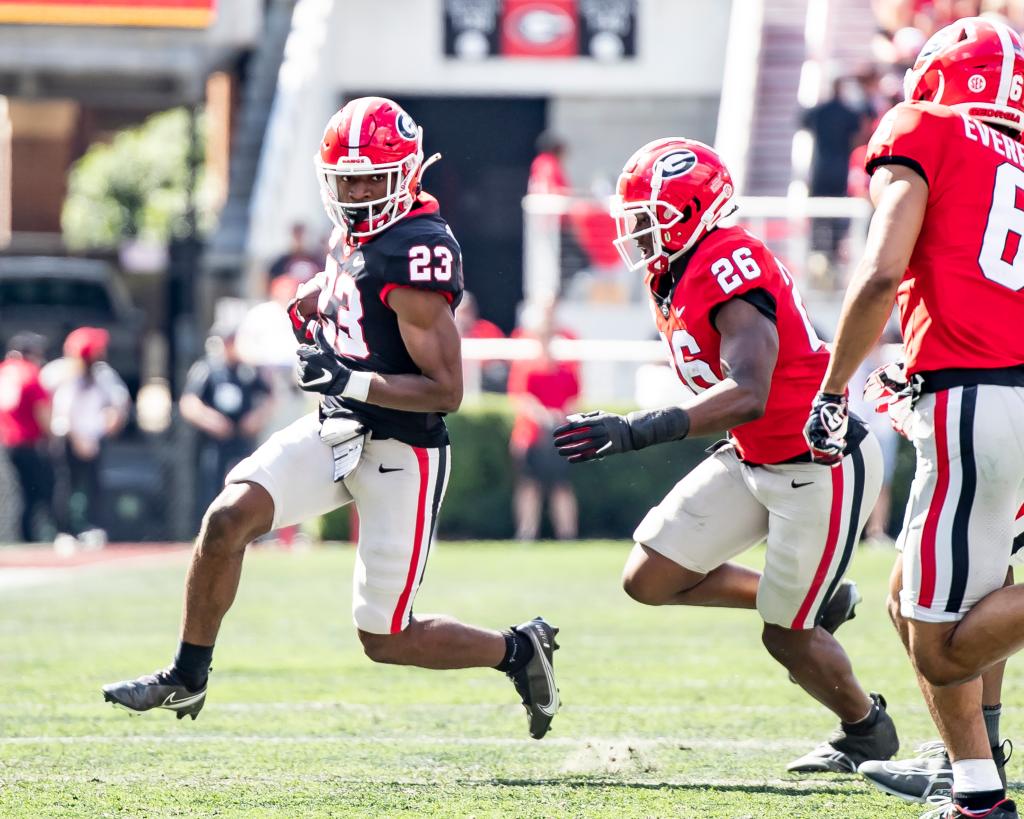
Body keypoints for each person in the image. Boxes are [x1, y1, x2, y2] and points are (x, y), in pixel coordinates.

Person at [102, 96, 560, 740]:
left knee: (387, 637)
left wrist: (350, 376)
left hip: (404, 451)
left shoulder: (417, 251)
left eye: (374, 178)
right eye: (347, 181)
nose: (360, 193)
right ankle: (187, 672)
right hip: (337, 426)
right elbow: (353, 285)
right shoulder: (355, 232)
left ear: (406, 174)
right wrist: (321, 298)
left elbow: (446, 390)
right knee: (227, 517)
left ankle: (517, 650)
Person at [553, 137, 899, 774]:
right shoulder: (676, 271)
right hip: (754, 457)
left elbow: (748, 392)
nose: (635, 233)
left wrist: (635, 431)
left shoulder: (726, 259)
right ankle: (817, 597)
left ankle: (866, 729)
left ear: (689, 211)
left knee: (785, 636)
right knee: (649, 577)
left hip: (816, 465)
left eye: (646, 218)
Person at [803, 18, 1024, 819]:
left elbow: (879, 273)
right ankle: (974, 781)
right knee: (907, 594)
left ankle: (979, 793)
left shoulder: (924, 127)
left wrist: (831, 393)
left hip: (981, 401)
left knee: (938, 640)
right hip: (992, 387)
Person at [180, 322, 273, 526]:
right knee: (212, 485)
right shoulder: (208, 369)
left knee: (247, 483)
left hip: (242, 438)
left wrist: (257, 418)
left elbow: (270, 396)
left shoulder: (247, 370)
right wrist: (211, 420)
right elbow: (189, 402)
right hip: (214, 442)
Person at [50, 327, 130, 544]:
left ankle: (92, 527)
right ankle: (65, 532)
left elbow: (119, 402)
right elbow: (61, 411)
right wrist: (77, 439)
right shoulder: (63, 373)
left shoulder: (103, 374)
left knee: (95, 484)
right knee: (66, 485)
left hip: (95, 438)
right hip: (69, 438)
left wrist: (107, 426)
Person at [508, 307, 580, 541]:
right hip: (531, 436)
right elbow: (520, 398)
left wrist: (560, 417)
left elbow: (574, 399)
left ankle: (567, 533)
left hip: (559, 436)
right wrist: (543, 415)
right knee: (529, 486)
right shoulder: (526, 366)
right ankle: (526, 533)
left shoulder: (566, 369)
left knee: (561, 486)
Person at [0, 332, 53, 541]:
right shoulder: (29, 374)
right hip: (25, 442)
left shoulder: (3, 372)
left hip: (5, 442)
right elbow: (43, 412)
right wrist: (51, 437)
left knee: (14, 493)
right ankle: (28, 537)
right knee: (35, 493)